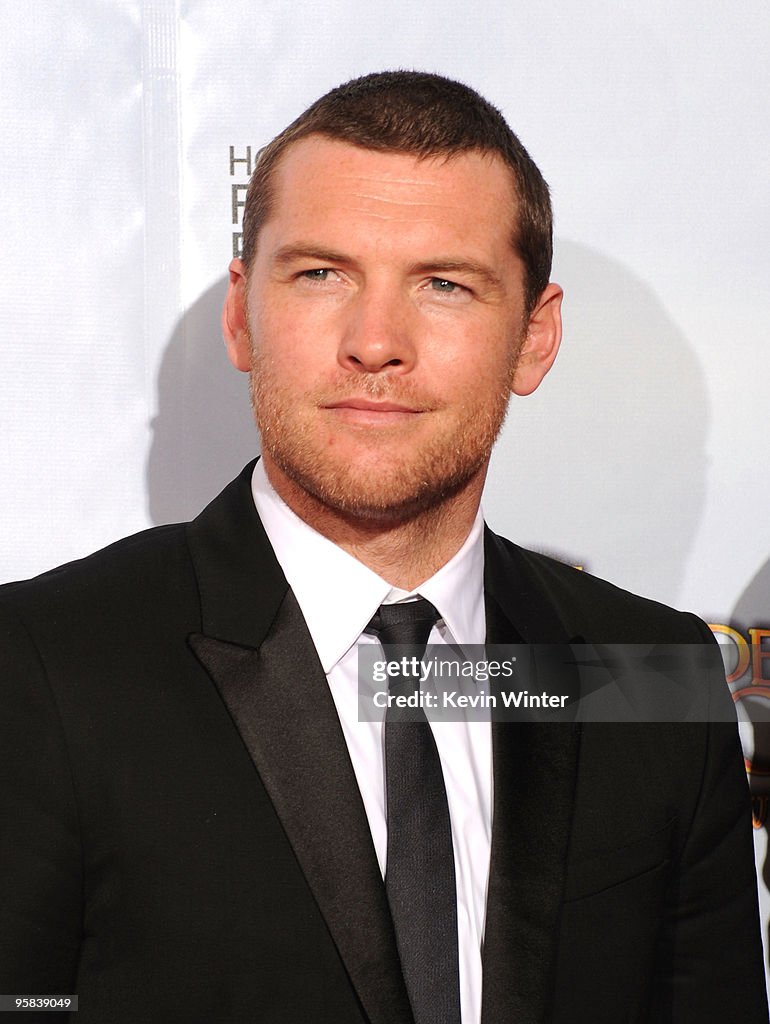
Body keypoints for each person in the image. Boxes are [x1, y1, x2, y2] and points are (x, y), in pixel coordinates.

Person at [0, 71, 766, 1024]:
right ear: (241, 314)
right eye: (322, 274)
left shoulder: (651, 677)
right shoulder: (39, 666)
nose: (374, 342)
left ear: (535, 337)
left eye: (444, 285)